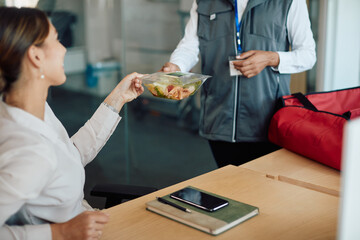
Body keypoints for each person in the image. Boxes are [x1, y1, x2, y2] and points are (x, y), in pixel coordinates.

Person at [0, 6, 144, 240]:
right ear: (36, 56)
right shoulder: (27, 151)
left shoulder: (30, 109)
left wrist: (118, 98)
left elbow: (68, 155)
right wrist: (58, 233)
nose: (64, 49)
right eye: (57, 40)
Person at [161, 0, 316, 167]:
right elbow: (189, 46)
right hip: (218, 117)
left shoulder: (289, 2)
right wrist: (176, 65)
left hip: (266, 121)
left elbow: (307, 55)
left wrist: (271, 58)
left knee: (260, 190)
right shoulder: (204, 2)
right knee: (226, 186)